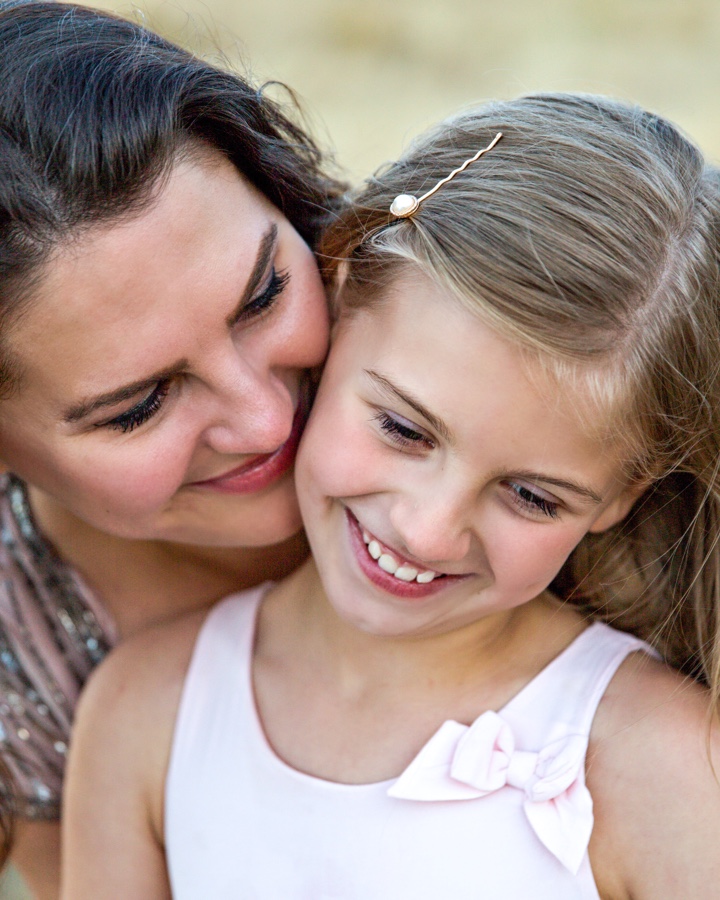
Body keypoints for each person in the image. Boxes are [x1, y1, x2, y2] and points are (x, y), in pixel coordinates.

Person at [62, 94, 720, 898]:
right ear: (337, 299)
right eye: (406, 431)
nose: (429, 530)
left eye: (531, 496)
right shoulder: (146, 712)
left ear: (623, 494)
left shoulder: (663, 762)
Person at [0, 1, 345, 895]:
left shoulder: (501, 340)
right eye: (142, 405)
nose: (266, 421)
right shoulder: (22, 672)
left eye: (264, 294)